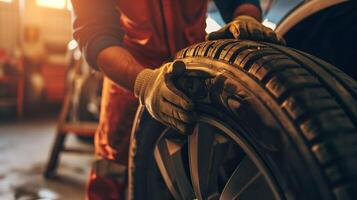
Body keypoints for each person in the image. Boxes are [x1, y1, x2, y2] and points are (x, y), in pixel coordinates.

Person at [71, 0, 284, 199]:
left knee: (206, 168)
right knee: (111, 169)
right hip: (129, 77)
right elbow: (95, 33)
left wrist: (246, 17)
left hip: (193, 71)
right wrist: (143, 83)